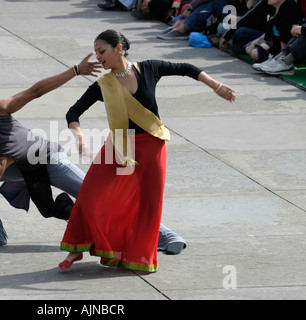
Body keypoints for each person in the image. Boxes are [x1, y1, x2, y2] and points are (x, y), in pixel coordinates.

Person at [0, 53, 187, 256]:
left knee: (97, 196)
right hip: (21, 164)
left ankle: (165, 235)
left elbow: (36, 91)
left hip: (49, 160)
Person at [59, 30, 236, 272]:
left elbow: (186, 68)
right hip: (120, 145)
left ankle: (138, 256)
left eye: (102, 51)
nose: (99, 57)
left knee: (148, 205)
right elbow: (73, 112)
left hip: (151, 144)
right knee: (91, 195)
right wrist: (78, 135)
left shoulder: (149, 68)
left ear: (119, 48)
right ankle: (77, 248)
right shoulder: (104, 84)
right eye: (97, 52)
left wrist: (215, 85)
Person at [158, 0, 230, 40]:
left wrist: (191, 6)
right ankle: (179, 26)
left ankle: (183, 28)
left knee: (214, 2)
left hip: (235, 16)